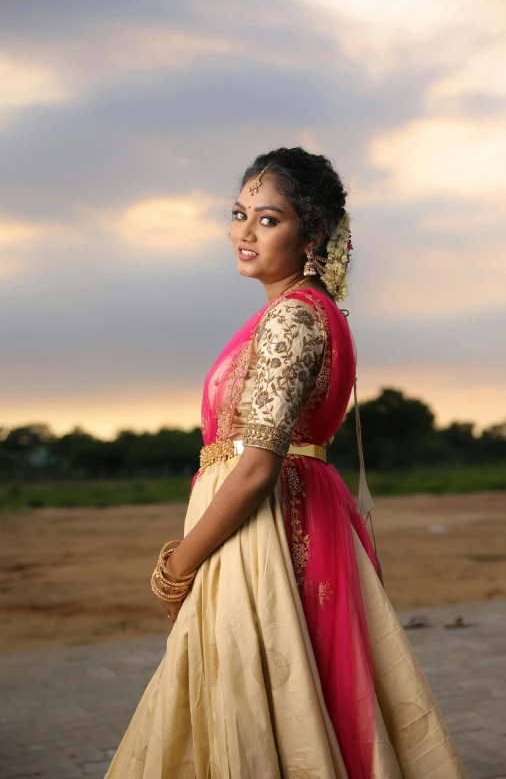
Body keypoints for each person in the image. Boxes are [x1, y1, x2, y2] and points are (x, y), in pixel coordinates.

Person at [104, 148, 467, 778]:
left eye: (267, 219)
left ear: (313, 234)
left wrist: (179, 563)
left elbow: (255, 466)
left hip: (265, 534)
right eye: (239, 213)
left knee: (256, 696)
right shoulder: (297, 312)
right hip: (281, 521)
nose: (243, 232)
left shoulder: (293, 318)